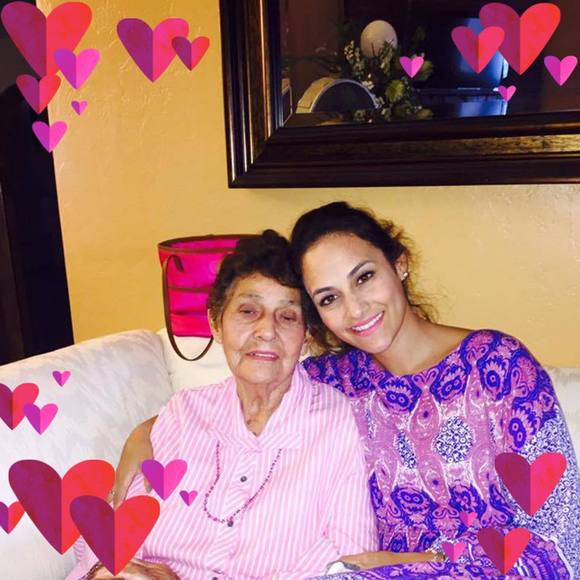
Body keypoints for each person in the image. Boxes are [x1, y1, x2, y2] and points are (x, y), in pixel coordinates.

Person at [114, 203, 580, 578]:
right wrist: (145, 433)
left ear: (399, 264)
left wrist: (417, 561)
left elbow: (562, 542)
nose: (355, 309)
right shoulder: (338, 380)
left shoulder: (498, 365)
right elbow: (242, 397)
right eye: (330, 298)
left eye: (364, 277)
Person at [68, 230, 377, 580]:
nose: (266, 330)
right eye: (248, 311)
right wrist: (113, 571)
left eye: (287, 316)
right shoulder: (183, 413)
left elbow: (352, 562)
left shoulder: (338, 424)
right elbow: (102, 541)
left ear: (306, 336)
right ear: (216, 323)